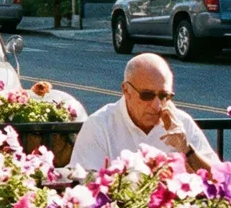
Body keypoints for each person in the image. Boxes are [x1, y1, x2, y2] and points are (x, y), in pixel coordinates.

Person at [70, 53, 218, 173]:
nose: (157, 105)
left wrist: (186, 149)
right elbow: (86, 185)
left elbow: (219, 180)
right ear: (126, 91)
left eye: (164, 96)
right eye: (147, 95)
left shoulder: (181, 123)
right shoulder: (99, 125)